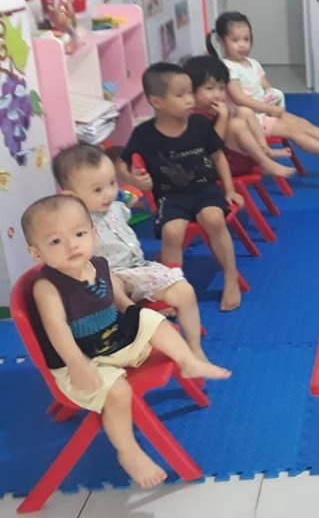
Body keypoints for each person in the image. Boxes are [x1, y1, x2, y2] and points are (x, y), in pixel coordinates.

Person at [21, 195, 229, 489]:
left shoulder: (98, 264)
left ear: (93, 234)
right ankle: (128, 450)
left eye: (79, 234)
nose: (71, 245)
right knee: (119, 392)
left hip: (113, 339)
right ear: (36, 253)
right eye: (55, 241)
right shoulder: (47, 287)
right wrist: (77, 363)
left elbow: (116, 298)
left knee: (155, 322)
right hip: (82, 361)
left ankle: (188, 361)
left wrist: (135, 315)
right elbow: (57, 329)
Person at [51, 144, 206, 359]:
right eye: (97, 190)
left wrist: (139, 184)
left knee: (185, 291)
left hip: (139, 269)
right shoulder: (75, 223)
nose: (109, 193)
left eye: (112, 183)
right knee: (110, 283)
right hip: (107, 276)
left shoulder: (116, 205)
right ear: (71, 196)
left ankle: (194, 347)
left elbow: (133, 196)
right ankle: (140, 320)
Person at [116, 62, 245, 312]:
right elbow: (122, 163)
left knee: (214, 219)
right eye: (180, 94)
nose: (189, 99)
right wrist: (135, 181)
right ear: (157, 101)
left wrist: (229, 189)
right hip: (170, 197)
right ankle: (171, 289)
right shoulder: (144, 134)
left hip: (205, 190)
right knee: (172, 232)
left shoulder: (199, 124)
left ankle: (230, 277)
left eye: (190, 92)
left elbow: (218, 156)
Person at [206, 11, 319, 166]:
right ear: (221, 40)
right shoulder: (226, 67)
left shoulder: (252, 63)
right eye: (235, 40)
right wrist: (268, 108)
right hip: (251, 120)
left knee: (302, 123)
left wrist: (273, 98)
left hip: (265, 112)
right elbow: (239, 98)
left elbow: (266, 86)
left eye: (246, 39)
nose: (242, 45)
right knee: (293, 131)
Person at [183, 54, 297, 179]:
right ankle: (264, 162)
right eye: (209, 89)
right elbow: (213, 146)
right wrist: (223, 117)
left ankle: (264, 149)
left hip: (232, 155)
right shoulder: (193, 115)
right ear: (192, 89)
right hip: (216, 164)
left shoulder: (213, 107)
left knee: (244, 111)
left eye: (221, 88)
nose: (217, 94)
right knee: (236, 125)